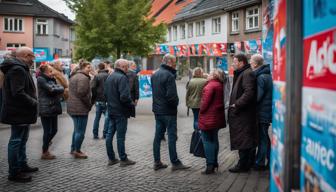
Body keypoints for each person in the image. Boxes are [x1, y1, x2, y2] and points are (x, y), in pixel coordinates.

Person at [0, 47, 38, 182]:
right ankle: (14, 172)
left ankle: (22, 164)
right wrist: (33, 102)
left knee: (21, 140)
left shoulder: (19, 67)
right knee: (16, 141)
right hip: (18, 112)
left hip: (22, 112)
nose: (33, 60)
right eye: (32, 57)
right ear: (26, 56)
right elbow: (18, 92)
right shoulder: (18, 69)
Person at [151, 54, 190, 171]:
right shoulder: (169, 75)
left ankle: (157, 161)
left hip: (157, 110)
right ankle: (175, 162)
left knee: (158, 136)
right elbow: (171, 96)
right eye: (174, 62)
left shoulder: (155, 74)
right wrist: (175, 104)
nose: (175, 64)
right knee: (172, 137)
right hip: (168, 111)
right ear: (169, 62)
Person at [228, 53, 257, 173]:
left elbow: (249, 93)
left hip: (243, 114)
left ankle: (243, 165)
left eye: (234, 62)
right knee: (244, 138)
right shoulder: (243, 73)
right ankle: (246, 163)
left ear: (241, 62)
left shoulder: (246, 73)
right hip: (242, 113)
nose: (232, 64)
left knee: (243, 139)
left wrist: (237, 104)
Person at [104, 59, 136, 167]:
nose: (128, 68)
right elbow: (124, 96)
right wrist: (131, 104)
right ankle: (123, 159)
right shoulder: (122, 77)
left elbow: (106, 94)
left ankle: (111, 158)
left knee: (109, 135)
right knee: (120, 137)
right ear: (122, 66)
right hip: (120, 111)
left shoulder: (110, 76)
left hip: (111, 110)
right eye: (126, 66)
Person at [199, 69, 226, 174]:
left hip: (208, 117)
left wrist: (201, 110)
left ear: (214, 76)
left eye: (210, 74)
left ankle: (210, 165)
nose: (208, 75)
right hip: (216, 117)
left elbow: (205, 103)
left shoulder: (210, 86)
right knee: (214, 139)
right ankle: (214, 162)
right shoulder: (219, 84)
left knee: (207, 141)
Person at [250, 54, 273, 170]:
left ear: (255, 64)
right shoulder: (267, 75)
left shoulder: (261, 77)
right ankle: (270, 159)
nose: (250, 63)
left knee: (262, 138)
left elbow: (258, 97)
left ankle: (260, 162)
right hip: (266, 110)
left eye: (251, 61)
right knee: (265, 137)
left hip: (262, 111)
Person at [37, 64, 64, 160]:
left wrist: (57, 87)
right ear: (45, 72)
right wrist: (58, 88)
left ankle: (46, 143)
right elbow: (52, 90)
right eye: (50, 71)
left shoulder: (51, 79)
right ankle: (45, 152)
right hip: (46, 108)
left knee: (54, 130)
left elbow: (60, 88)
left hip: (53, 107)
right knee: (47, 131)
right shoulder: (41, 79)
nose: (52, 73)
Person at [67, 61, 92, 159]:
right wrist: (88, 104)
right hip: (79, 108)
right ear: (83, 68)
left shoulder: (74, 76)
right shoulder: (83, 78)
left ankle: (73, 149)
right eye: (88, 67)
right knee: (80, 131)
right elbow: (81, 93)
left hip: (73, 107)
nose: (90, 69)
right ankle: (77, 151)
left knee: (76, 130)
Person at [91, 63, 109, 139]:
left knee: (97, 117)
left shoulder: (97, 76)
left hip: (98, 99)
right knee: (107, 117)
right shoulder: (109, 76)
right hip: (107, 100)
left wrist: (94, 99)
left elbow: (93, 87)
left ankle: (95, 134)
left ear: (98, 68)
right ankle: (104, 134)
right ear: (104, 67)